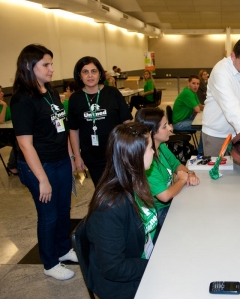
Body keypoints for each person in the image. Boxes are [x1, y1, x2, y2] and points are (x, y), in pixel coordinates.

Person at [10, 44, 77, 280]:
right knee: (48, 215)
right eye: (46, 65)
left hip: (60, 161)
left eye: (51, 64)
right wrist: (42, 179)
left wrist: (70, 156)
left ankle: (62, 249)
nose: (52, 69)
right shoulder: (21, 101)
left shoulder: (51, 92)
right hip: (40, 167)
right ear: (30, 67)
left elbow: (63, 127)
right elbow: (25, 145)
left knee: (63, 210)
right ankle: (49, 263)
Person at [86, 122, 157, 299]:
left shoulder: (136, 183)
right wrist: (155, 264)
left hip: (143, 260)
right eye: (150, 148)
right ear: (135, 155)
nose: (154, 152)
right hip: (122, 286)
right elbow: (113, 268)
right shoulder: (111, 206)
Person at [135, 108, 200, 241]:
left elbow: (177, 165)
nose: (170, 128)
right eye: (165, 126)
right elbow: (165, 196)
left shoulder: (161, 147)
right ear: (151, 132)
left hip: (171, 202)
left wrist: (190, 173)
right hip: (158, 213)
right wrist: (182, 180)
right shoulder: (146, 163)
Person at [68, 56, 132, 186]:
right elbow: (73, 130)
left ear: (100, 73)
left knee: (122, 189)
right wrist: (77, 157)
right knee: (102, 190)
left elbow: (127, 123)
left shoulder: (112, 93)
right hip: (92, 156)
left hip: (117, 153)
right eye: (85, 72)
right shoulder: (75, 99)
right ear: (79, 75)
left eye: (94, 71)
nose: (90, 75)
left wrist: (132, 149)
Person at [172, 75, 204, 152]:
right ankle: (200, 152)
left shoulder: (192, 92)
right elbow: (198, 109)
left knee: (205, 123)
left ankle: (201, 150)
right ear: (188, 83)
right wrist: (203, 108)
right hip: (179, 123)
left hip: (185, 119)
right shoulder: (187, 93)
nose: (196, 86)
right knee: (205, 127)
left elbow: (199, 106)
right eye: (193, 83)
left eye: (198, 84)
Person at [0, 84, 17, 174]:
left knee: (21, 139)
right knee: (18, 143)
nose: (2, 93)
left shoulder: (1, 104)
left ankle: (19, 164)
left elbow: (11, 117)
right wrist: (5, 106)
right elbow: (1, 120)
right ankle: (11, 166)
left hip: (3, 133)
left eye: (2, 91)